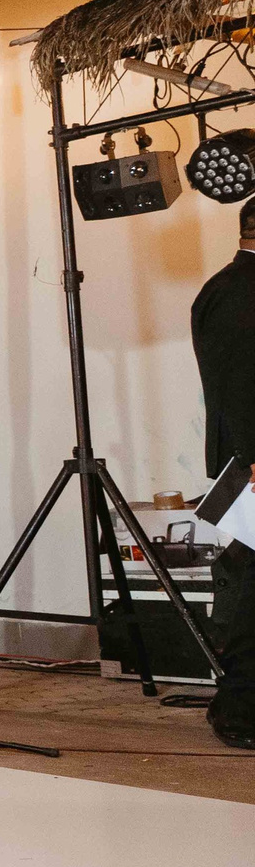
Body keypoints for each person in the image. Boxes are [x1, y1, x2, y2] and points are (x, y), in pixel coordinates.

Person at [193, 199, 255, 750]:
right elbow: (238, 381)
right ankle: (236, 711)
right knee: (246, 590)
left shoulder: (235, 286)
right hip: (251, 468)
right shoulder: (238, 290)